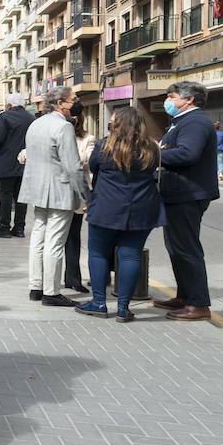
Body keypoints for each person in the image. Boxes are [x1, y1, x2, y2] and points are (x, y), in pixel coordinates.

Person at [76, 106, 162, 322]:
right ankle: (123, 308)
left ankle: (99, 302)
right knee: (131, 255)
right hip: (141, 209)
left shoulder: (104, 146)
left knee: (98, 253)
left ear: (116, 125)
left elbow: (93, 167)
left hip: (106, 208)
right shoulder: (151, 148)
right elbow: (153, 172)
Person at [153, 81, 220, 322]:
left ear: (189, 99)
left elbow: (187, 153)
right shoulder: (181, 121)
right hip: (176, 193)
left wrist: (154, 154)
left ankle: (198, 304)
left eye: (171, 96)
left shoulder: (196, 122)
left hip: (188, 194)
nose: (168, 101)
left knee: (186, 248)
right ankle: (184, 295)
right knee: (175, 248)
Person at [19, 86, 88, 308]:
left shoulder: (35, 124)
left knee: (38, 238)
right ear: (60, 103)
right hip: (60, 190)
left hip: (38, 189)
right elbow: (73, 166)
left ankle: (36, 286)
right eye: (73, 99)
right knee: (55, 242)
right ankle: (51, 291)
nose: (76, 102)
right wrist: (85, 195)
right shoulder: (64, 126)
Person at [0, 93, 32, 239]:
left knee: (5, 195)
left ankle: (4, 227)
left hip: (7, 161)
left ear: (9, 105)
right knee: (21, 197)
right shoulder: (31, 118)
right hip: (25, 163)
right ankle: (19, 228)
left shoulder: (5, 116)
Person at [61, 108, 94, 294]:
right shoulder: (53, 134)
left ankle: (73, 278)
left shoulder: (87, 139)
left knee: (73, 237)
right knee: (54, 239)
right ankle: (47, 280)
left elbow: (85, 159)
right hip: (57, 192)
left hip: (78, 193)